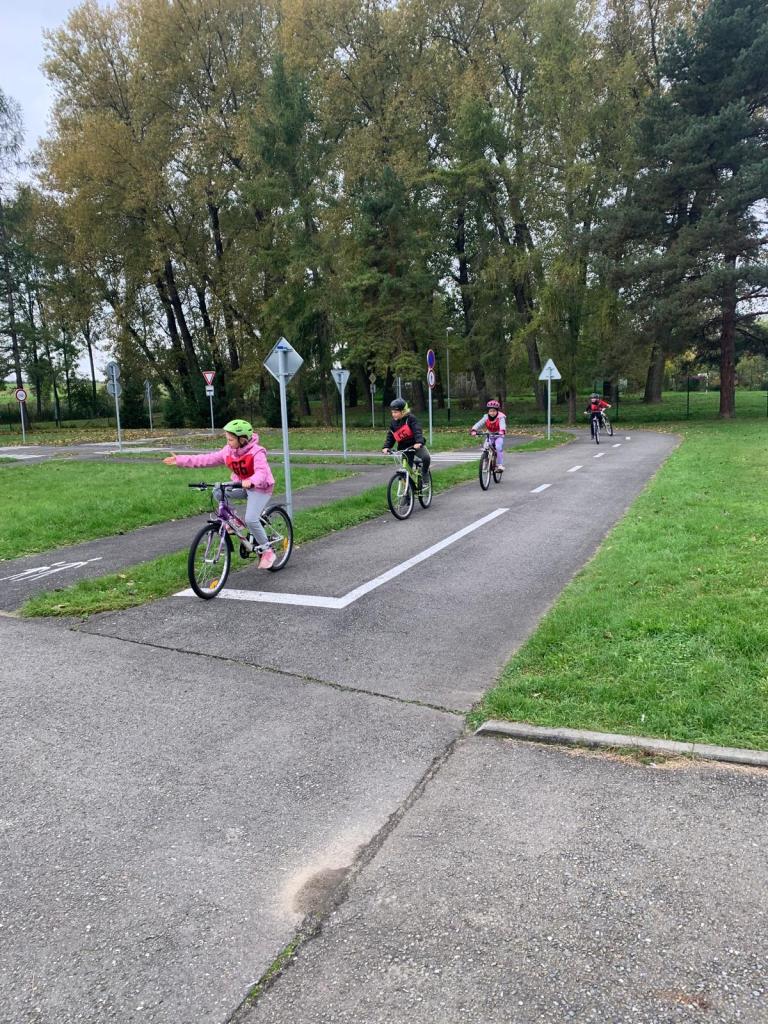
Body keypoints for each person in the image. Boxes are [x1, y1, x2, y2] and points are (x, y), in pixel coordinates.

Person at [163, 419, 277, 568]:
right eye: (227, 439)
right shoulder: (228, 452)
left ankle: (267, 551)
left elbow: (262, 472)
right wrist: (180, 460)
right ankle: (234, 520)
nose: (228, 442)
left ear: (242, 440)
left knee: (251, 519)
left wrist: (251, 481)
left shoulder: (257, 452)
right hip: (241, 485)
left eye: (231, 439)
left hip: (260, 488)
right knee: (218, 491)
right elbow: (206, 459)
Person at [381, 398, 431, 483]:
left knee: (426, 458)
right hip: (405, 448)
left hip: (416, 445)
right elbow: (391, 436)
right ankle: (408, 490)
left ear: (403, 411)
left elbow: (417, 430)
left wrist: (419, 442)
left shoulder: (411, 419)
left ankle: (424, 472)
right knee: (406, 471)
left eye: (396, 412)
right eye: (392, 412)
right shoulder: (393, 423)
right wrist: (386, 447)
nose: (393, 414)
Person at [470, 399, 507, 472]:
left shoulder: (500, 417)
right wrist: (474, 429)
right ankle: (486, 462)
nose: (492, 413)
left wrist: (502, 430)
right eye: (490, 411)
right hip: (490, 435)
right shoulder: (486, 417)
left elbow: (502, 425)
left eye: (494, 411)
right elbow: (479, 423)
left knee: (498, 447)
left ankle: (499, 465)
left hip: (498, 436)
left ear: (497, 411)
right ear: (488, 411)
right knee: (486, 447)